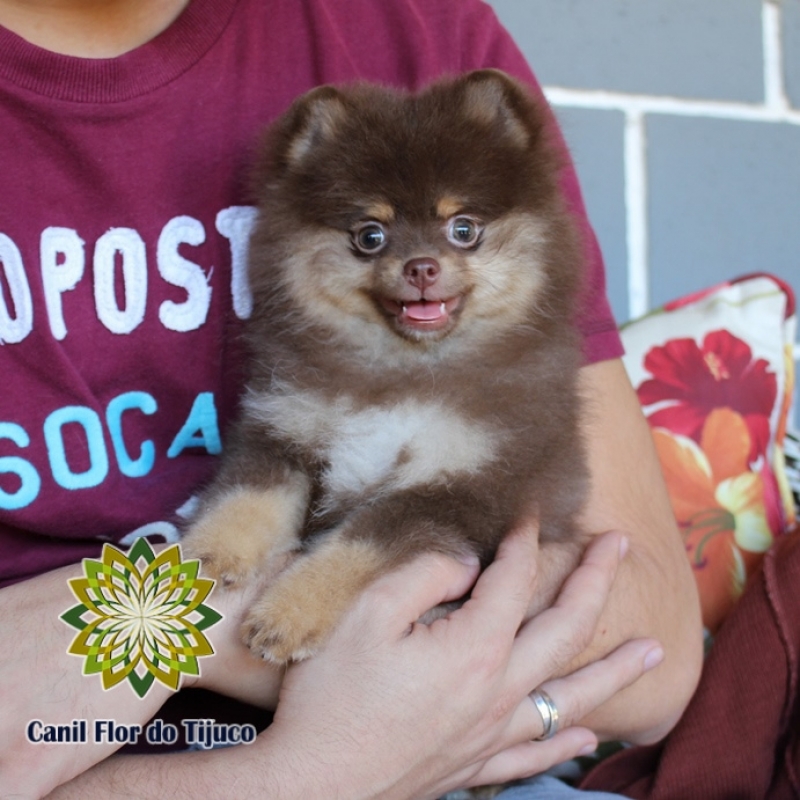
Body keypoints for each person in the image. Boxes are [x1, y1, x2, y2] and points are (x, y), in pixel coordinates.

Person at [0, 0, 703, 796]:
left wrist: (153, 624)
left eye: (462, 232)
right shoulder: (305, 353)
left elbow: (652, 654)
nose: (422, 263)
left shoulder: (416, 26)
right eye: (370, 237)